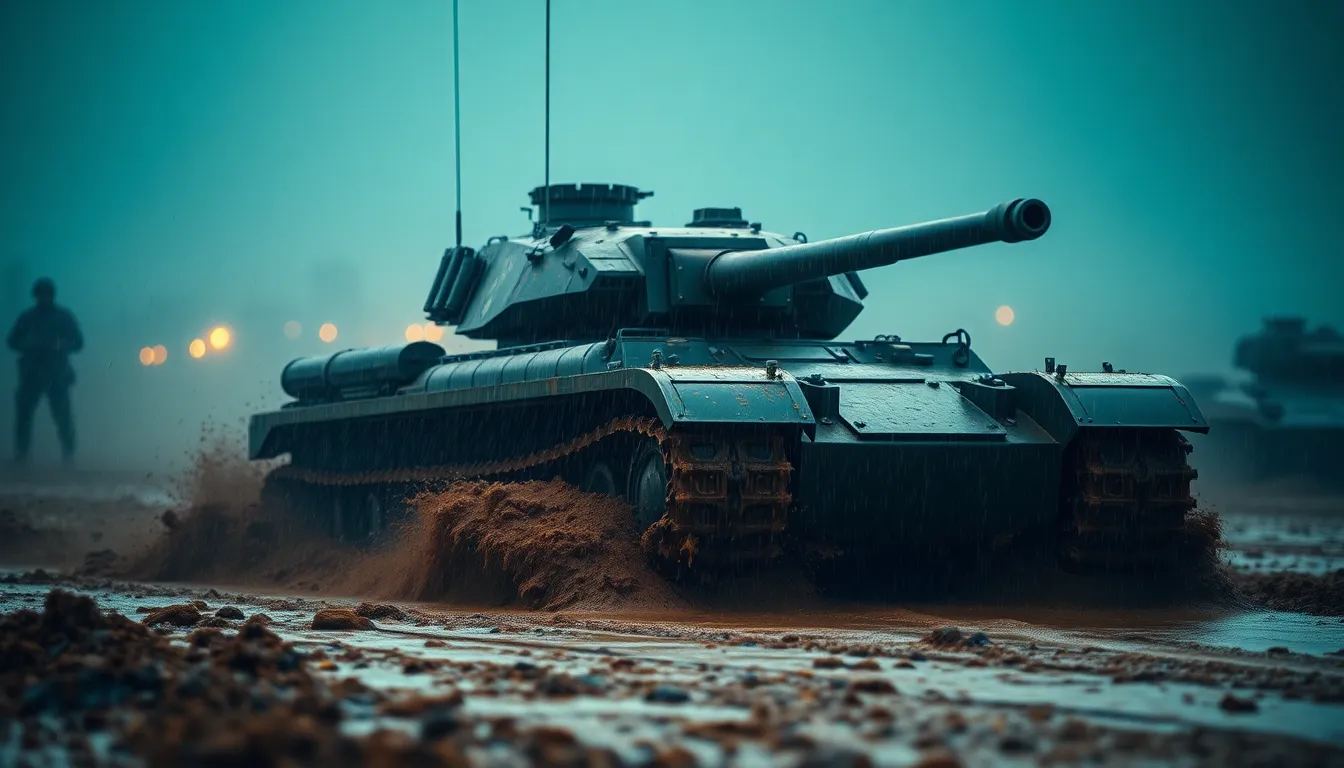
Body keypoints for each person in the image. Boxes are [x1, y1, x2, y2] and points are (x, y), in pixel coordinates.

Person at [7, 278, 82, 466]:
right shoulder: (28, 318)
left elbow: (78, 342)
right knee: (24, 416)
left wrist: (61, 344)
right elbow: (12, 341)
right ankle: (22, 455)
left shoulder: (63, 317)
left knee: (62, 417)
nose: (43, 298)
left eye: (46, 295)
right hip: (31, 374)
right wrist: (27, 343)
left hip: (56, 374)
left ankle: (69, 456)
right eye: (41, 295)